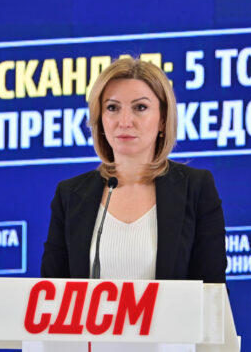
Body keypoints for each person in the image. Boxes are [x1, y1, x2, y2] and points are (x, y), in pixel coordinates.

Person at [40, 57, 226, 283]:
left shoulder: (195, 188)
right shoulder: (70, 195)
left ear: (163, 119)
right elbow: (52, 292)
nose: (125, 121)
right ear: (100, 118)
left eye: (140, 108)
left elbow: (212, 292)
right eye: (112, 108)